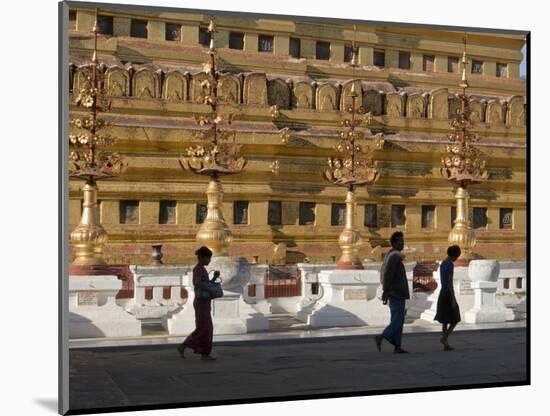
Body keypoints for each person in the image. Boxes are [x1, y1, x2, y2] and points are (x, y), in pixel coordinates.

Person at [177, 246, 218, 361]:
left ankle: (204, 353)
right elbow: (198, 283)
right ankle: (184, 345)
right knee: (203, 328)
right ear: (203, 258)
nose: (209, 260)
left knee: (206, 328)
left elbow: (206, 283)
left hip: (204, 301)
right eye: (208, 258)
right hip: (201, 302)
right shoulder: (198, 269)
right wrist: (210, 291)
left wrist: (214, 278)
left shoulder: (202, 269)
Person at [375, 231, 410, 353]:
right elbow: (388, 275)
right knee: (398, 319)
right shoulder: (394, 257)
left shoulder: (391, 255)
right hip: (396, 292)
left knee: (397, 319)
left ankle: (397, 345)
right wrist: (386, 291)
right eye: (400, 241)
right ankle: (383, 336)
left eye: (403, 241)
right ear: (394, 243)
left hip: (396, 292)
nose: (403, 243)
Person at [434, 245, 462, 351]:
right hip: (448, 294)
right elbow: (450, 283)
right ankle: (444, 338)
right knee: (455, 318)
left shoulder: (443, 263)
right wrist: (453, 298)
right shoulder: (450, 264)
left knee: (445, 319)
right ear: (454, 255)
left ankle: (445, 344)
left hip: (442, 292)